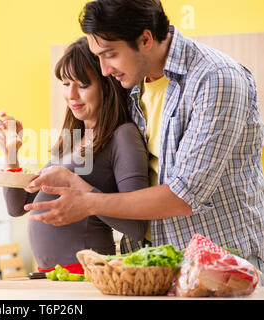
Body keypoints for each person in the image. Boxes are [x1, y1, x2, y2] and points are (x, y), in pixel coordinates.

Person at [25, 0, 264, 272]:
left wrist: (87, 202)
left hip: (219, 266)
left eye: (110, 54)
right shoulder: (131, 83)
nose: (104, 69)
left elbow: (185, 195)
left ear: (146, 39)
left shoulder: (216, 79)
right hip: (151, 264)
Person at [0, 36, 150, 273]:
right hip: (51, 275)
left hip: (88, 272)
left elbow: (137, 225)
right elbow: (18, 207)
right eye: (66, 84)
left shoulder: (123, 136)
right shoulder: (72, 138)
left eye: (83, 85)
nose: (71, 95)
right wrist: (11, 154)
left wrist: (75, 183)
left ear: (107, 86)